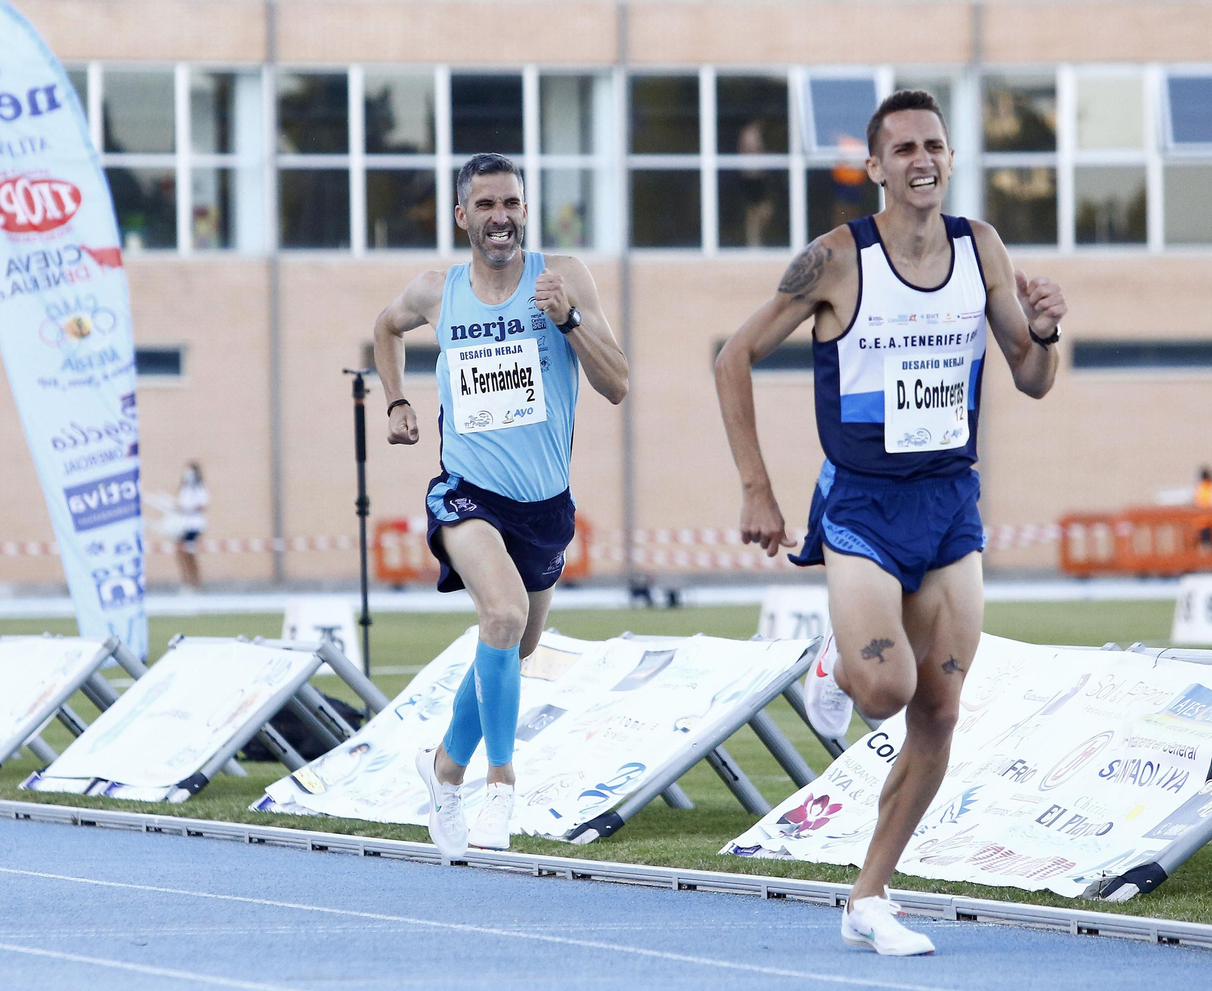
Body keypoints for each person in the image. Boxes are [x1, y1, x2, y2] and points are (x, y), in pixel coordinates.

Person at [714, 89, 1067, 956]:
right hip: (864, 504)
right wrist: (758, 488)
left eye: (935, 145)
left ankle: (868, 896)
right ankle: (837, 656)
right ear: (874, 167)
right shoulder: (836, 259)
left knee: (939, 714)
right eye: (903, 147)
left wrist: (1048, 335)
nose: (923, 159)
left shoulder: (981, 248)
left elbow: (1029, 377)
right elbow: (734, 356)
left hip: (950, 504)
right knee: (885, 691)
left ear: (950, 158)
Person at [374, 153, 628, 856]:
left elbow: (617, 382)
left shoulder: (564, 277)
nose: (500, 217)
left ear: (525, 209)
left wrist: (569, 319)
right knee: (505, 612)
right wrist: (396, 400)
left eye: (510, 203)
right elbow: (385, 329)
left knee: (517, 642)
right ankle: (501, 782)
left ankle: (442, 769)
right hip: (466, 492)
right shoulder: (437, 291)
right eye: (485, 205)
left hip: (543, 504)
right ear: (463, 217)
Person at [175, 462, 208, 590]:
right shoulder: (184, 488)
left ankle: (195, 581)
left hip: (194, 525)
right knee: (182, 553)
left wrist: (187, 509)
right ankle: (187, 580)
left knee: (189, 552)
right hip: (184, 524)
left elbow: (202, 505)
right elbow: (181, 504)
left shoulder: (199, 488)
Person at [1194, 466, 1212, 553]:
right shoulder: (1208, 487)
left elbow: (1201, 502)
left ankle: (1208, 555)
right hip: (1206, 520)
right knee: (1207, 541)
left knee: (1207, 540)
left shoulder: (1204, 487)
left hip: (1205, 520)